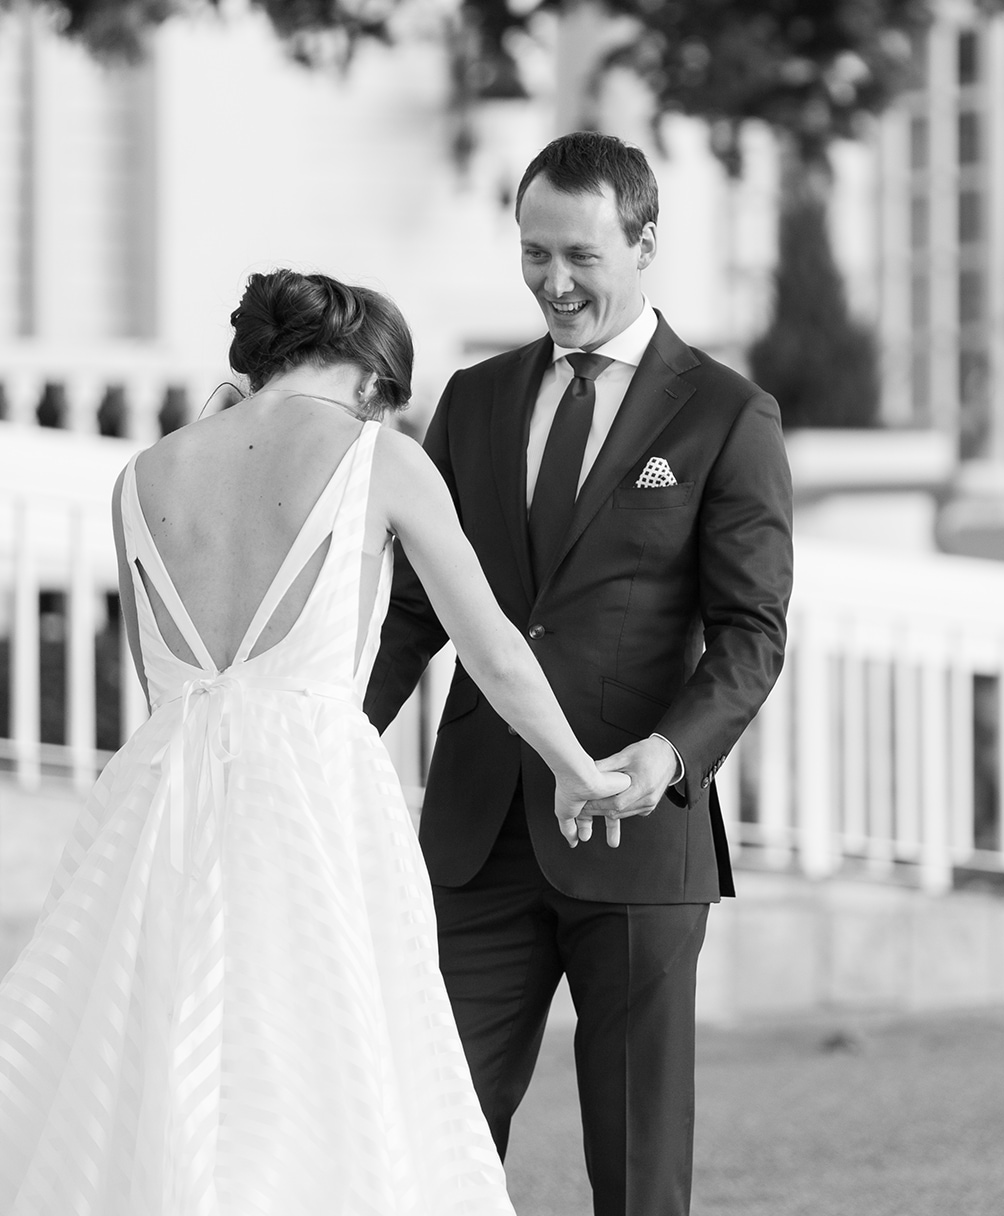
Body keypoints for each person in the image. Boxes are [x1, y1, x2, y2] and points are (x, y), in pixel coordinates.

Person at [0, 269, 629, 1216]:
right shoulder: (379, 458)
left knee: (150, 1054)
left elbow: (159, 683)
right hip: (312, 794)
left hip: (160, 798)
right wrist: (576, 769)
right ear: (373, 377)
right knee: (326, 1056)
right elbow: (494, 650)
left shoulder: (144, 475)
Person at [364, 132, 794, 1216]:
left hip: (637, 835)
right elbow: (414, 610)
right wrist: (326, 732)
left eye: (580, 256)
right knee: (429, 1141)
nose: (553, 282)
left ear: (644, 243)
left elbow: (750, 632)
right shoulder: (473, 400)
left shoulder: (725, 415)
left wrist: (670, 755)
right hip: (477, 837)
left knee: (638, 1175)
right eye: (533, 253)